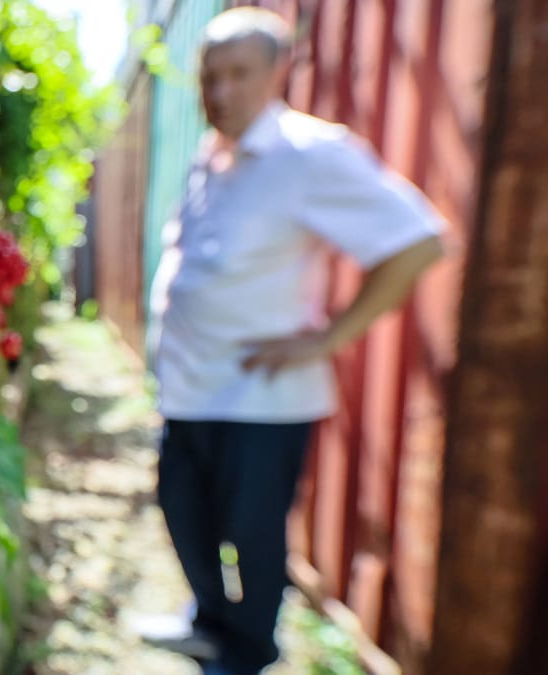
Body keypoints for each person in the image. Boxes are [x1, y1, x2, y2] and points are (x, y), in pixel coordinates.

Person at [137, 7, 445, 675]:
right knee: (184, 514)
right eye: (209, 77)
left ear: (281, 71)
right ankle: (209, 623)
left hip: (261, 398)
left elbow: (419, 239)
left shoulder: (311, 154)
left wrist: (329, 338)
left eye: (239, 74)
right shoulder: (209, 155)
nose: (220, 93)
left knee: (251, 536)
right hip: (189, 387)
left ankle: (248, 653)